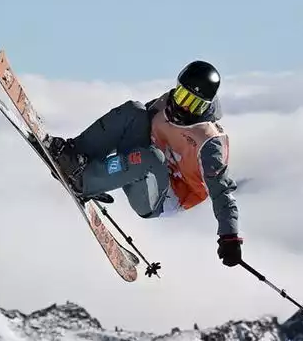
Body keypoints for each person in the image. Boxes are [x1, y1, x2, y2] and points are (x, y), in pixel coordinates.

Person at [42, 60, 243, 268]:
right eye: (183, 96)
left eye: (194, 104)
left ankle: (83, 182)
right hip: (144, 163)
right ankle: (74, 155)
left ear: (206, 106)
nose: (183, 106)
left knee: (150, 158)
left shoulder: (209, 141)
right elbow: (127, 130)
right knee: (134, 111)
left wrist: (229, 237)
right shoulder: (164, 103)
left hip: (162, 198)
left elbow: (222, 191)